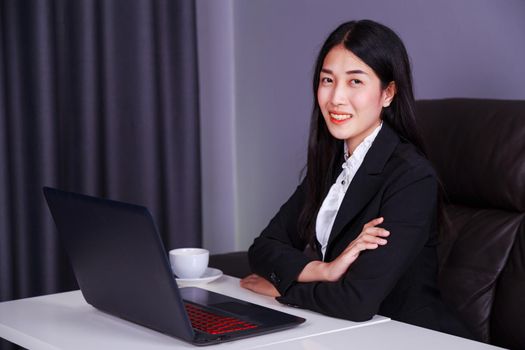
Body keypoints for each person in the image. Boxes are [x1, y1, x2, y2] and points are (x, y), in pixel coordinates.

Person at [240, 19, 472, 338]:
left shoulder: (411, 177)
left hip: (410, 336)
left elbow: (356, 301)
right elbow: (263, 248)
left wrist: (283, 290)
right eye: (327, 80)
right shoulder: (331, 162)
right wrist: (325, 270)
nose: (336, 98)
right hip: (339, 331)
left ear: (388, 93)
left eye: (355, 82)